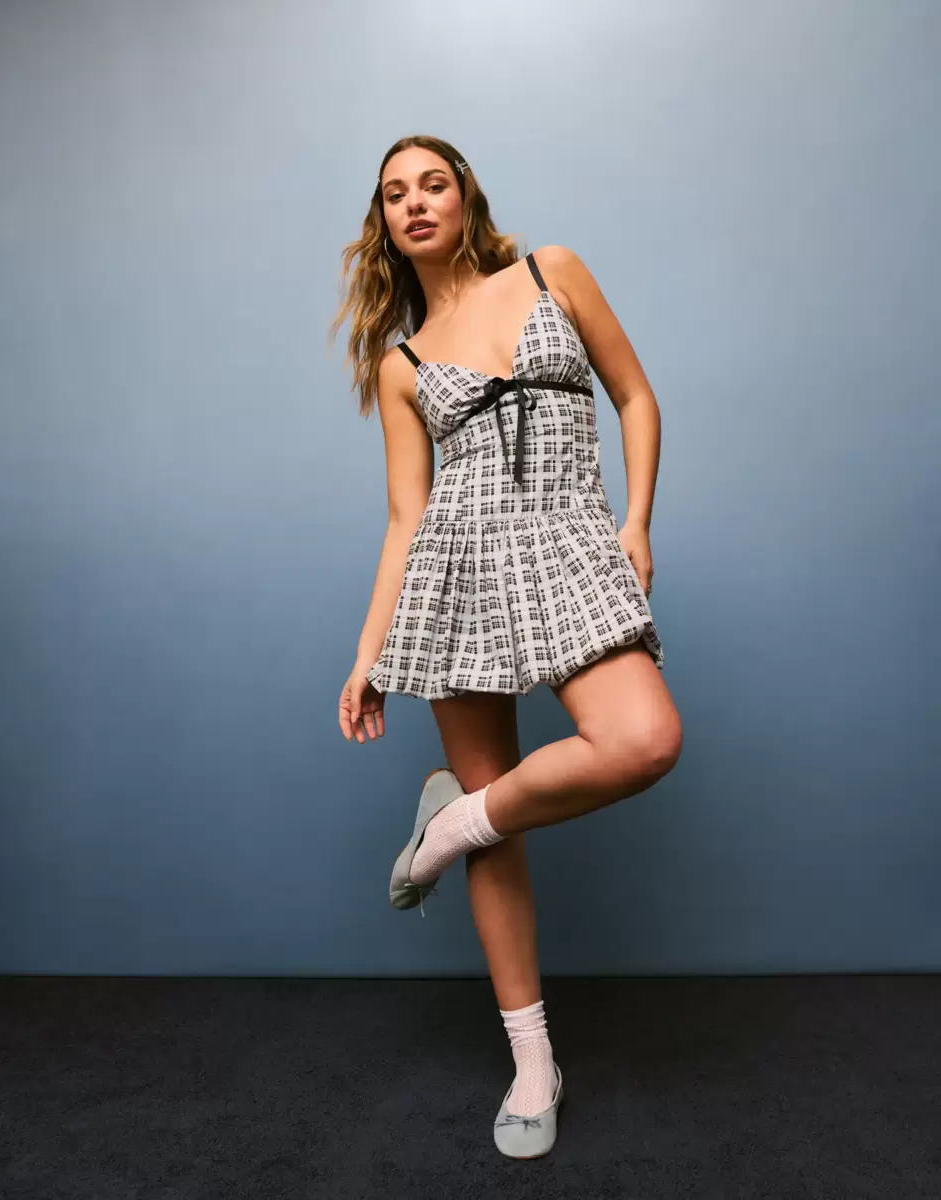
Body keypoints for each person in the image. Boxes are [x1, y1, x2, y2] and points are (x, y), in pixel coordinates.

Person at [331, 134, 683, 1159]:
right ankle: (533, 1062)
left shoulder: (550, 273)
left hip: (571, 544)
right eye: (394, 193)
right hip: (460, 569)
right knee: (503, 834)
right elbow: (406, 520)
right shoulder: (401, 365)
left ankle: (449, 825)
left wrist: (637, 521)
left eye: (432, 183)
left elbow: (636, 396)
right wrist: (367, 655)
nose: (414, 202)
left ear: (465, 196)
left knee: (642, 740)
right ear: (385, 223)